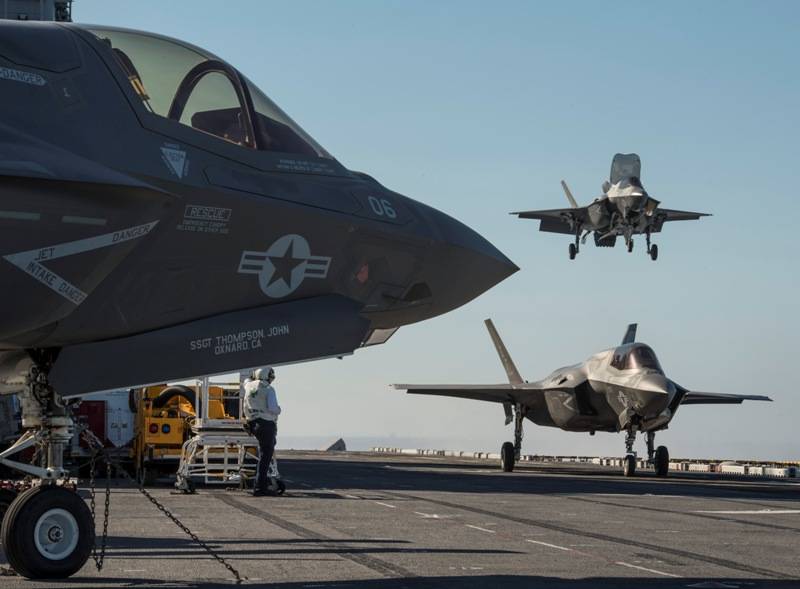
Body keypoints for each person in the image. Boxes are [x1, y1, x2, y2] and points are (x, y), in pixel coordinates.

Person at [242, 367, 281, 496]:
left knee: (264, 454)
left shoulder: (248, 386)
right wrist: (279, 410)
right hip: (265, 425)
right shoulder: (269, 389)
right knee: (265, 456)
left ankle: (260, 485)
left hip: (251, 423)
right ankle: (259, 487)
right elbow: (273, 408)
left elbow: (246, 381)